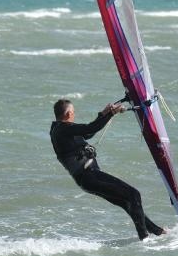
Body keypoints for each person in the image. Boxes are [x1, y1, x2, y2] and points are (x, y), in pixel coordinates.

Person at [50, 98, 166, 240]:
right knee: (133, 195)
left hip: (89, 177)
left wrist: (103, 114)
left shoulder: (62, 130)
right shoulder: (62, 129)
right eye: (73, 112)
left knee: (126, 202)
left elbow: (87, 134)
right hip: (89, 176)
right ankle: (145, 239)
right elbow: (90, 128)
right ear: (68, 114)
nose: (74, 114)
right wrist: (111, 113)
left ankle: (156, 231)